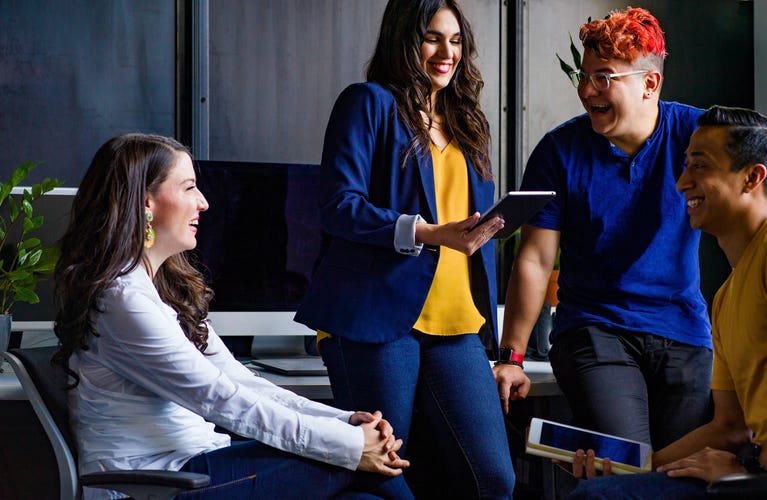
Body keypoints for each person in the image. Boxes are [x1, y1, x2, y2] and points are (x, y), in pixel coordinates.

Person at [52, 133, 414, 500]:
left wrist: (343, 421)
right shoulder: (123, 300)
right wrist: (352, 445)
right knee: (370, 467)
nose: (204, 203)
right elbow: (220, 398)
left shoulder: (160, 291)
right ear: (146, 202)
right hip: (157, 484)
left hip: (199, 463)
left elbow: (242, 381)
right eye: (190, 188)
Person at [568, 105, 767, 498]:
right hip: (765, 474)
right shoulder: (727, 296)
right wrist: (628, 470)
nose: (681, 183)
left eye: (700, 166)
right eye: (684, 167)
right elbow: (729, 427)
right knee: (607, 491)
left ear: (752, 177)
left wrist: (752, 466)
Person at [294, 0, 515, 498]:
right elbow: (338, 205)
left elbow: (468, 232)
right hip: (376, 320)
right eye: (432, 38)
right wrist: (430, 233)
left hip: (458, 323)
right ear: (404, 39)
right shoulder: (368, 102)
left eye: (456, 40)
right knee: (383, 477)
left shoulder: (467, 123)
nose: (447, 52)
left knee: (494, 479)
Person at [494, 7, 712, 451]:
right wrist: (511, 358)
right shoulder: (559, 152)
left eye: (604, 77)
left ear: (650, 84)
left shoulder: (698, 135)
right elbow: (535, 259)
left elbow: (754, 194)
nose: (586, 89)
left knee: (681, 473)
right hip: (594, 330)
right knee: (628, 462)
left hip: (684, 330)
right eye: (585, 75)